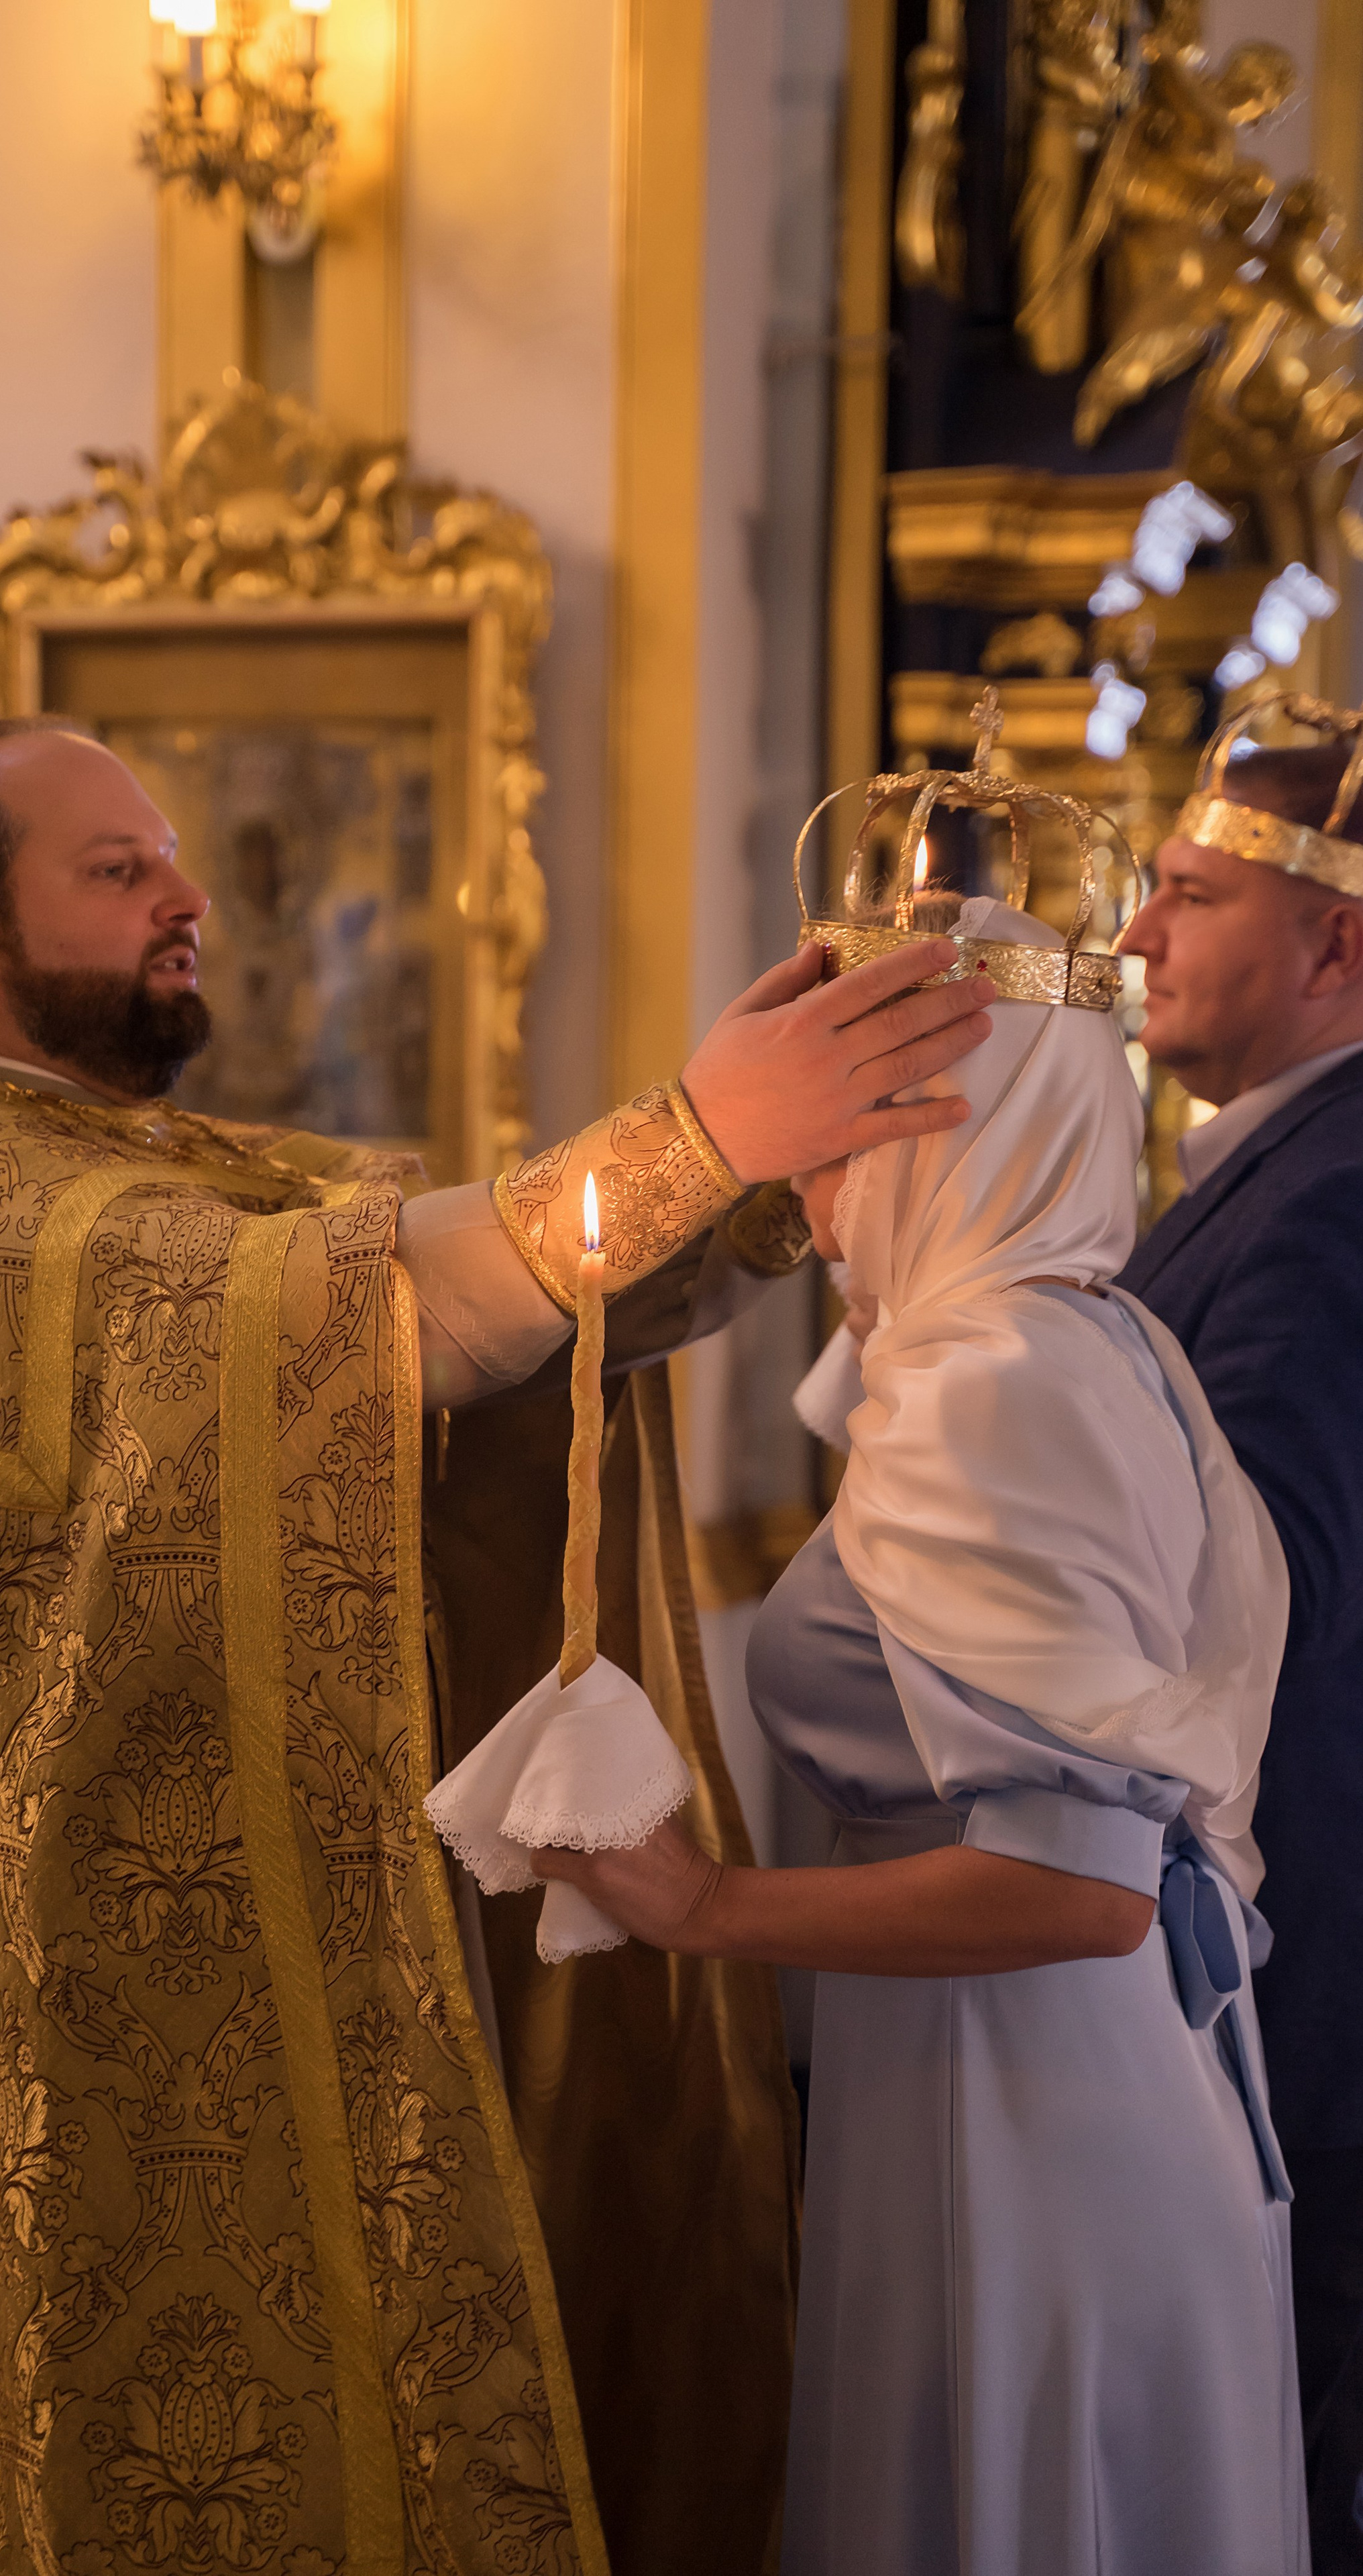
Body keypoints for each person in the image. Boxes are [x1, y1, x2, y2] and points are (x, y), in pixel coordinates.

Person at [0, 716, 995, 2575]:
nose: (188, 899)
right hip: (45, 1974)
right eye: (118, 869)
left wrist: (736, 1183)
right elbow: (348, 1312)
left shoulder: (158, 1164)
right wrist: (701, 1133)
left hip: (242, 1926)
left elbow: (464, 1298)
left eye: (171, 858)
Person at [535, 894, 1308, 2576]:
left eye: (834, 1142)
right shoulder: (1071, 1331)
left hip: (1023, 2094)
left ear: (945, 1135)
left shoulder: (997, 1382)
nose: (799, 1196)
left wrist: (703, 1910)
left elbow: (1075, 1886)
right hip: (1037, 2067)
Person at [1115, 710, 1363, 2574]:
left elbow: (1263, 1593)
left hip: (1298, 1943)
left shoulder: (1326, 1201)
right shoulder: (1269, 1172)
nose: (1136, 936)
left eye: (1188, 896)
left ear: (1336, 944)